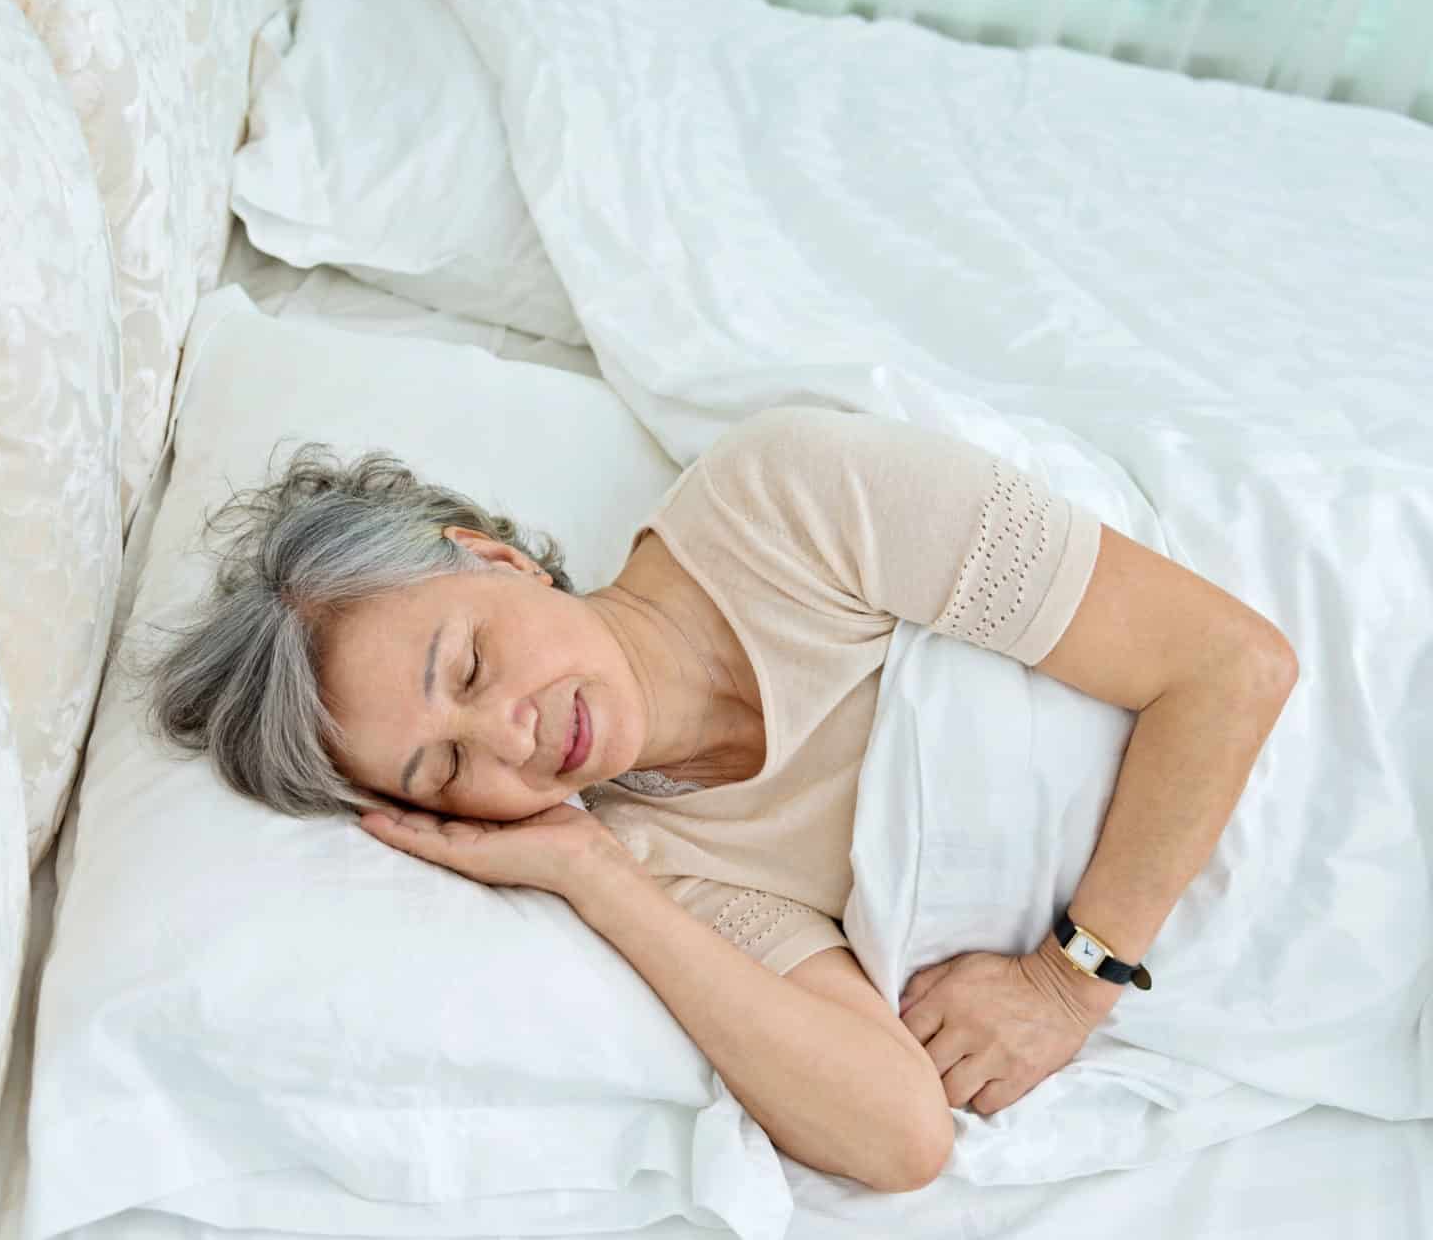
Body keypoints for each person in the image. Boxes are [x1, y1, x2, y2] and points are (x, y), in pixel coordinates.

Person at [144, 404, 1297, 1194]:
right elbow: (895, 1135)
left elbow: (1231, 666)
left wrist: (1065, 981)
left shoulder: (784, 504)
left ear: (496, 560)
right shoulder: (654, 857)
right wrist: (592, 877)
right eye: (445, 769)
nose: (509, 736)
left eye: (471, 667)